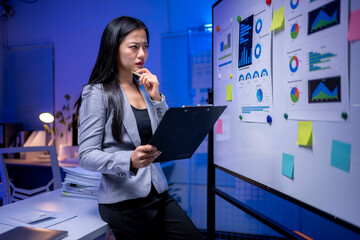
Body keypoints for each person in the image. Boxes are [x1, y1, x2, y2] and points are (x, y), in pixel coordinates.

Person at [75, 16, 202, 240]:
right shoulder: (97, 93)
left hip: (157, 193)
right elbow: (86, 156)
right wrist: (129, 160)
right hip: (124, 202)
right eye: (134, 47)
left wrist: (157, 99)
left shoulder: (145, 88)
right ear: (114, 48)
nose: (141, 54)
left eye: (145, 47)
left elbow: (165, 137)